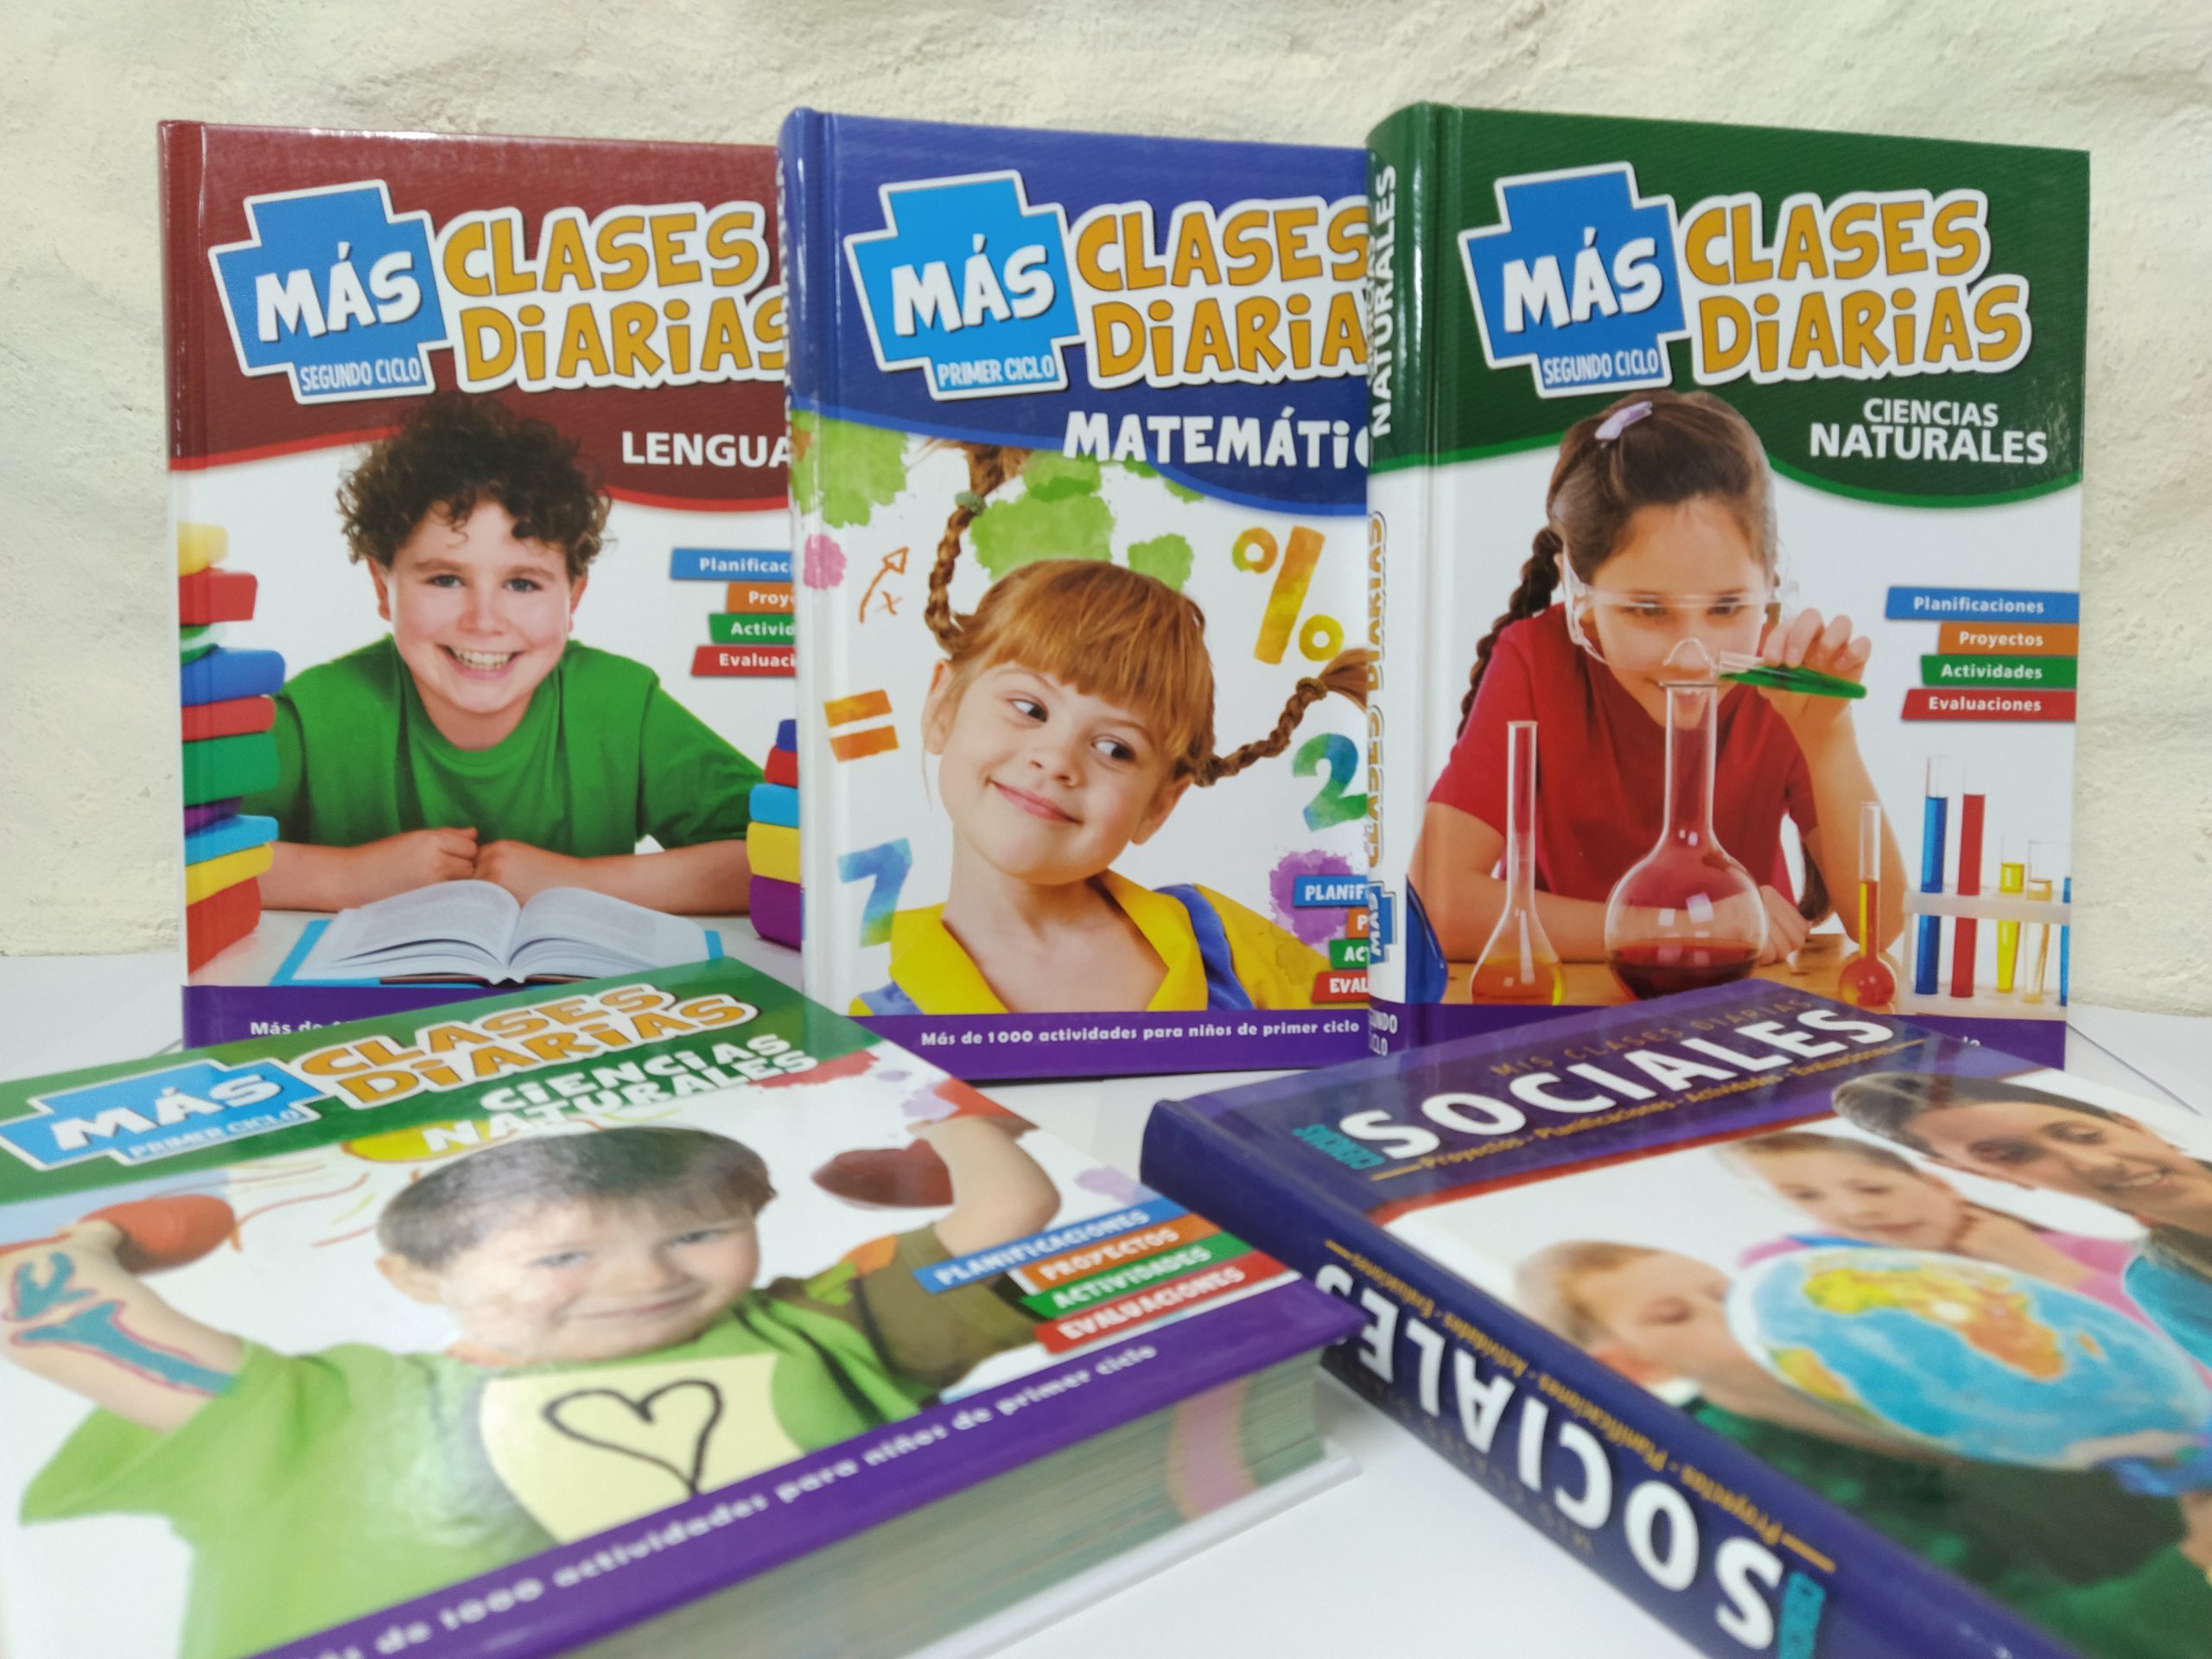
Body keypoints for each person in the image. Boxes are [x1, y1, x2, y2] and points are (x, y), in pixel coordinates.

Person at [8, 1120, 1057, 1659]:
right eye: (560, 1256)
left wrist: (947, 1125)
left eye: (699, 1233)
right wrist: (100, 1233)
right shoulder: (338, 1407)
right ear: (418, 1280)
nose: (645, 1279)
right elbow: (32, 1297)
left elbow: (1010, 1208)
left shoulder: (814, 1326)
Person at [854, 445, 1367, 1017]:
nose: (1056, 759)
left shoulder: (1226, 945)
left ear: (1159, 805)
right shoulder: (879, 1027)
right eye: (1029, 708)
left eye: (1115, 748)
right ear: (943, 708)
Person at [1517, 1240, 2212, 1657]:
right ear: (1633, 1367)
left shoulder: (1929, 1372)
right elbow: (2005, 1633)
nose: (1731, 1312)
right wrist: (2195, 1560)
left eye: (1723, 1290)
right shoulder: (1743, 1488)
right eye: (1674, 1316)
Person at [1410, 390, 1903, 969]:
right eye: (1647, 610)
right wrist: (1680, 930)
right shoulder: (1534, 662)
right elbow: (1435, 903)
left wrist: (1829, 737)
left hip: (1744, 1002)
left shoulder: (1782, 686)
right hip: (1574, 1005)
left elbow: (1881, 925)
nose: (1692, 659)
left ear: (1770, 584)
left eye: (1726, 608)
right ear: (1579, 591)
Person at [245, 396, 760, 914]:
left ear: (573, 596)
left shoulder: (623, 707)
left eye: (522, 583)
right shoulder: (315, 714)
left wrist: (579, 883)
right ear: (384, 588)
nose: (484, 620)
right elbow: (197, 855)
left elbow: (785, 854)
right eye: (446, 579)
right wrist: (347, 877)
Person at [1835, 1071, 2212, 1369]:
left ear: (2133, 1126)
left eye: (2084, 1136)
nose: (2095, 1164)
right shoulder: (2168, 1285)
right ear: (1983, 1174)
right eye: (2011, 1156)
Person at [1720, 1128, 2169, 1332]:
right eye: (1805, 1198)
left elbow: (2190, 1344)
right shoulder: (1795, 1265)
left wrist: (2049, 1269)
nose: (1854, 1211)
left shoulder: (2083, 1252)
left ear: (1939, 1185)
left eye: (1874, 1188)